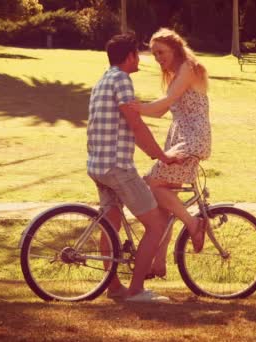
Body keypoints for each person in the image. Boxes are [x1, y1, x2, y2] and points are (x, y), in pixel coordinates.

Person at [87, 32, 179, 302]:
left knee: (110, 225)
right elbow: (136, 125)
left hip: (98, 165)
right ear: (129, 57)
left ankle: (113, 287)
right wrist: (162, 156)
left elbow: (123, 127)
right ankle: (137, 290)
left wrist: (153, 153)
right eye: (137, 54)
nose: (140, 59)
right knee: (156, 225)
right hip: (117, 168)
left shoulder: (102, 81)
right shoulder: (123, 81)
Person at [127, 28, 212, 279]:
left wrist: (136, 108)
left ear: (174, 48)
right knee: (162, 207)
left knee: (152, 182)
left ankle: (194, 223)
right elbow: (161, 111)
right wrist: (139, 109)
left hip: (192, 138)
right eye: (154, 55)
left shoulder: (188, 67)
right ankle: (158, 264)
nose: (158, 58)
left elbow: (164, 103)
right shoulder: (175, 73)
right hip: (180, 136)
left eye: (161, 52)